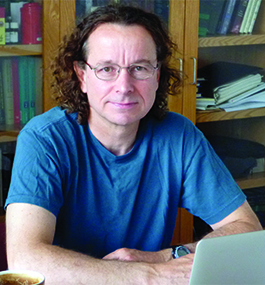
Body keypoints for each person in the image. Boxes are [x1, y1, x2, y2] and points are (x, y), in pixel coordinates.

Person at [5, 4, 262, 285]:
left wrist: (165, 257)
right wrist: (150, 275)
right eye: (107, 69)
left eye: (139, 68)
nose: (124, 85)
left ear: (157, 75)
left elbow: (247, 230)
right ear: (82, 76)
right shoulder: (44, 139)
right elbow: (26, 259)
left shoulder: (179, 136)